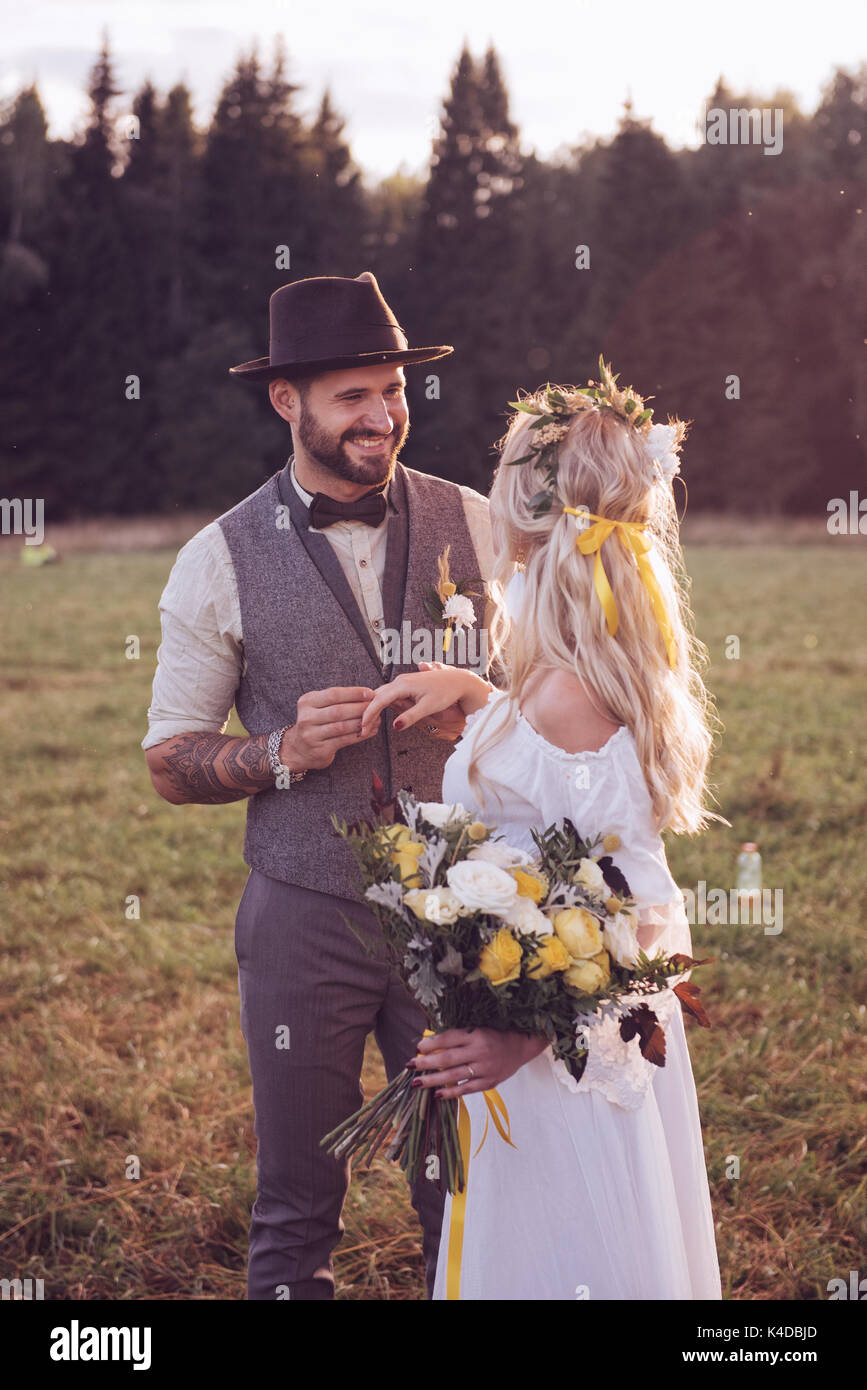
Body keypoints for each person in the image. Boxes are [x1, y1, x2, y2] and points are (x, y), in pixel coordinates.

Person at [141, 271, 493, 1300]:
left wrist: (481, 689)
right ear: (286, 401)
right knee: (297, 1199)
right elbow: (170, 759)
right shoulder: (216, 558)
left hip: (463, 905)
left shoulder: (477, 522)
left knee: (467, 1187)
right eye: (353, 395)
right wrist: (279, 752)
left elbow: (551, 701)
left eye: (394, 390)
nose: (384, 416)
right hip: (302, 915)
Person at [360, 366, 723, 1299]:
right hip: (565, 1047)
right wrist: (481, 701)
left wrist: (522, 1042)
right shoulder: (583, 675)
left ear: (524, 510)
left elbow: (633, 912)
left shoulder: (565, 693)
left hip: (557, 1065)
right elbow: (573, 812)